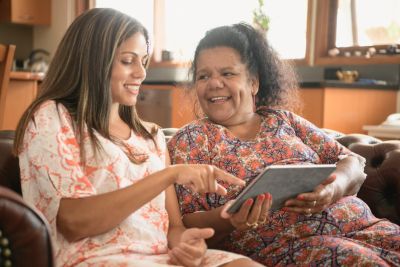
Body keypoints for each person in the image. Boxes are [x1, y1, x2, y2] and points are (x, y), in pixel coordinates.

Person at [13, 9, 263, 267]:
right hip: (97, 259)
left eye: (142, 61)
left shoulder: (151, 136)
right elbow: (74, 223)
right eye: (127, 60)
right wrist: (169, 174)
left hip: (162, 259)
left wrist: (188, 246)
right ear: (93, 60)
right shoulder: (51, 117)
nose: (141, 73)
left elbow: (173, 229)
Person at [168, 22, 400, 266]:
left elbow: (353, 162)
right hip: (294, 245)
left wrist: (335, 187)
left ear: (253, 83)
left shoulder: (282, 119)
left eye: (227, 73)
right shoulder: (190, 140)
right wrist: (230, 218)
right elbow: (185, 222)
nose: (214, 83)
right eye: (203, 76)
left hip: (364, 226)